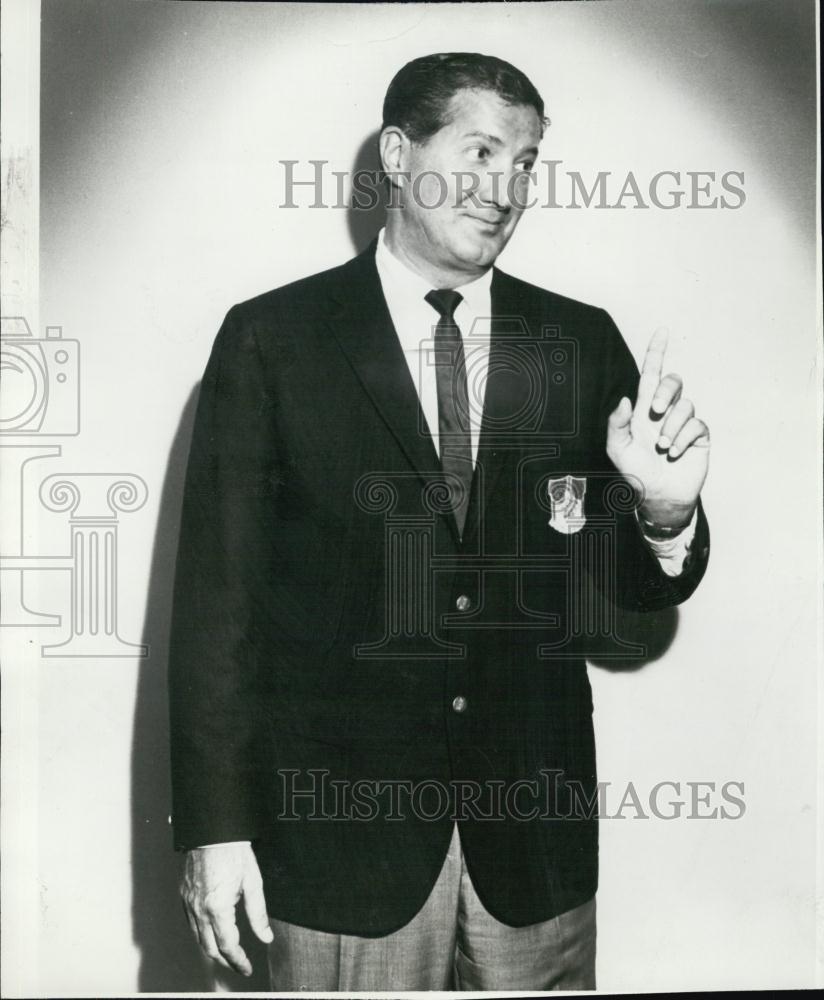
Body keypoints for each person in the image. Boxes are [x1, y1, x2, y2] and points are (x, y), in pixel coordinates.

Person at [168, 52, 710, 991]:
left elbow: (622, 598)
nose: (506, 189)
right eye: (481, 152)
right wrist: (217, 827)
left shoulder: (580, 343)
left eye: (527, 162)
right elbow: (219, 607)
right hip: (337, 848)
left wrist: (667, 514)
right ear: (396, 154)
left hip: (535, 848)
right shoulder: (272, 341)